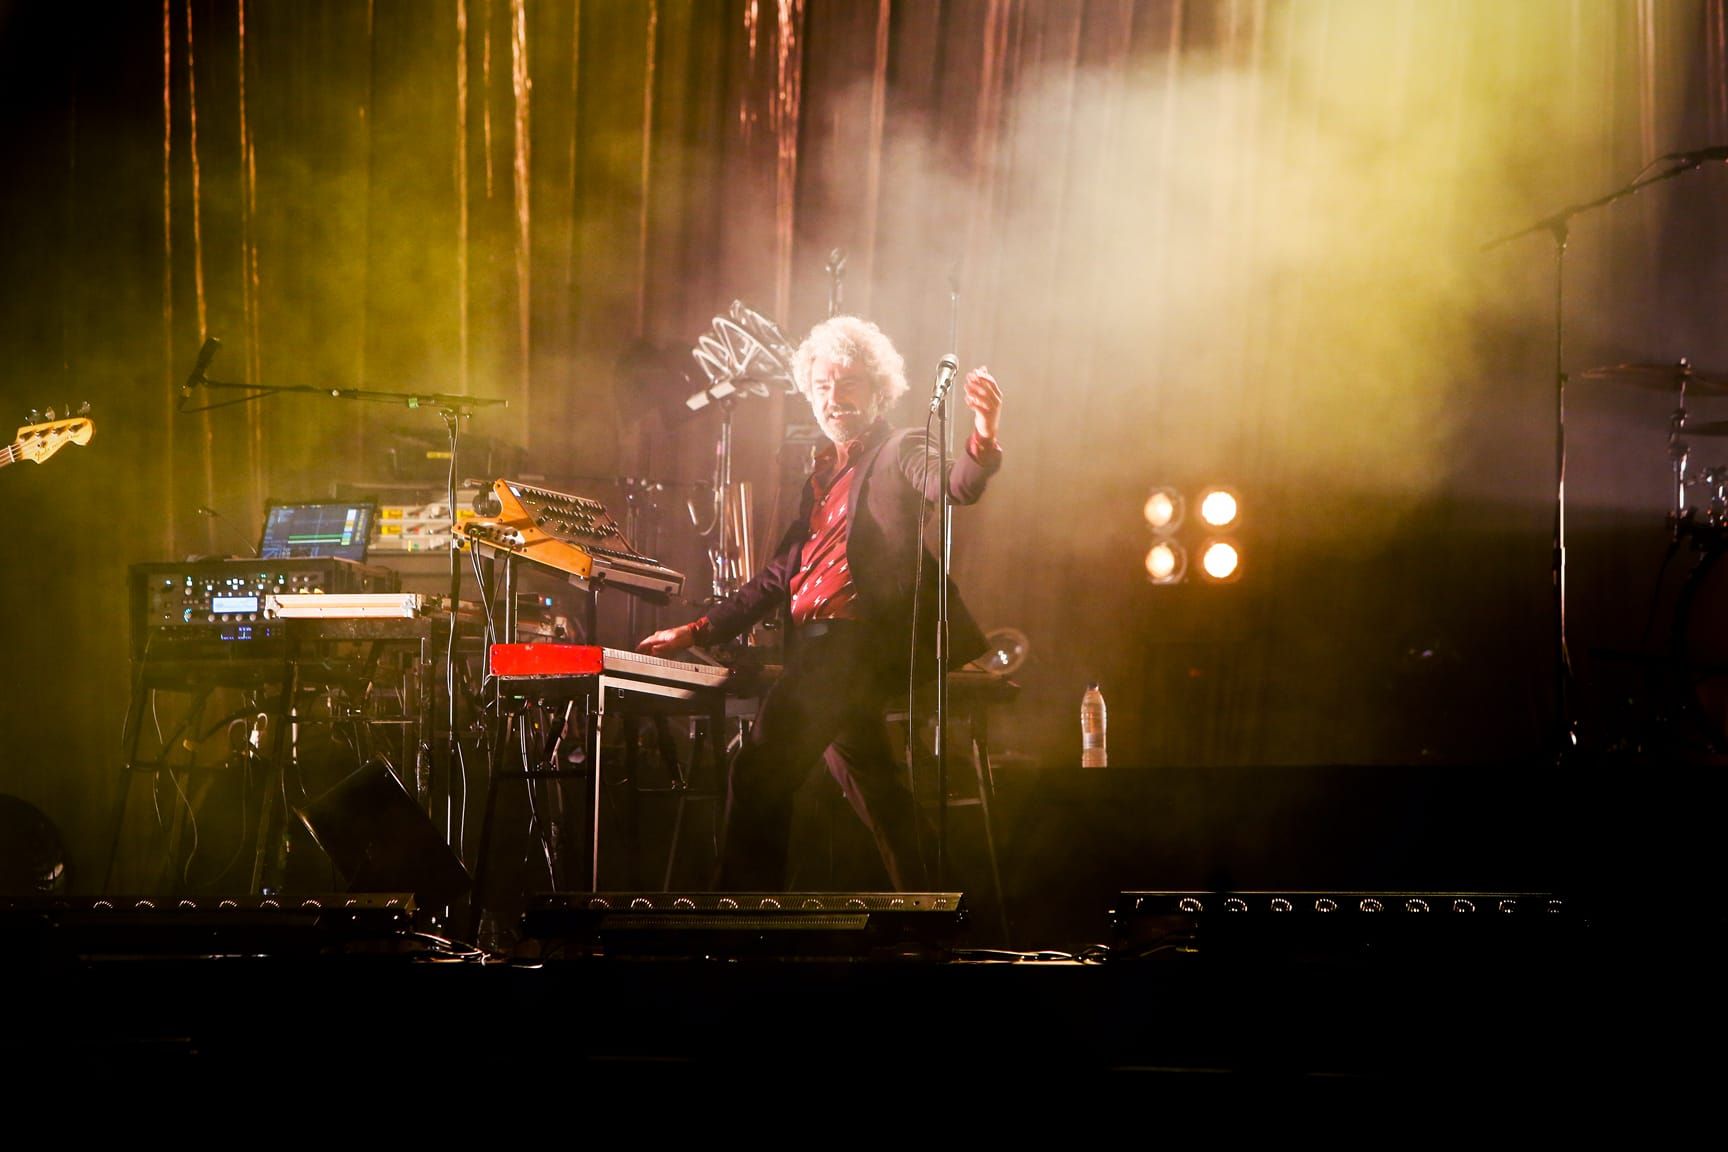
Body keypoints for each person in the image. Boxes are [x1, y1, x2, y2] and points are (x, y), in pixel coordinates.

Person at [637, 314, 1004, 891]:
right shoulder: (823, 477)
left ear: (878, 391)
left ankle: (742, 920)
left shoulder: (899, 447)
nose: (835, 398)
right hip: (828, 650)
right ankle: (938, 910)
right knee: (878, 793)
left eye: (850, 383)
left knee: (758, 771)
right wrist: (698, 630)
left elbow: (954, 485)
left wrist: (982, 434)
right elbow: (778, 575)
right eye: (824, 386)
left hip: (850, 646)